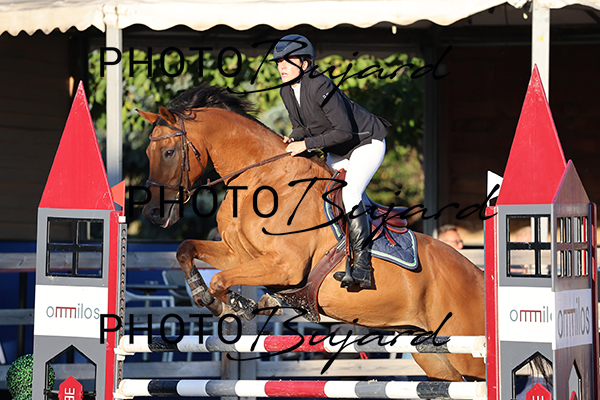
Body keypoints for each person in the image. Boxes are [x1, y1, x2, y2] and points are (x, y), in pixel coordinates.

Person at [272, 34, 390, 288]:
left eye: (287, 61)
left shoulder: (320, 84)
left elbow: (344, 131)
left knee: (349, 194)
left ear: (305, 63)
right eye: (279, 61)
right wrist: (292, 138)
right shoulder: (286, 91)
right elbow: (301, 127)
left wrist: (305, 145)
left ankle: (362, 267)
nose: (281, 66)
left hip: (365, 142)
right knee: (323, 196)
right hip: (338, 149)